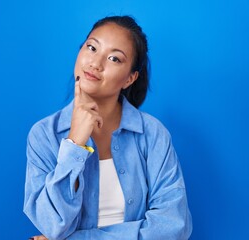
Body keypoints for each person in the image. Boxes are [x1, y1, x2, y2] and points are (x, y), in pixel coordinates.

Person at [24, 15, 192, 240]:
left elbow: (174, 226)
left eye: (114, 58)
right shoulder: (44, 135)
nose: (95, 63)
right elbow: (51, 224)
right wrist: (74, 144)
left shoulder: (153, 134)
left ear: (130, 79)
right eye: (92, 48)